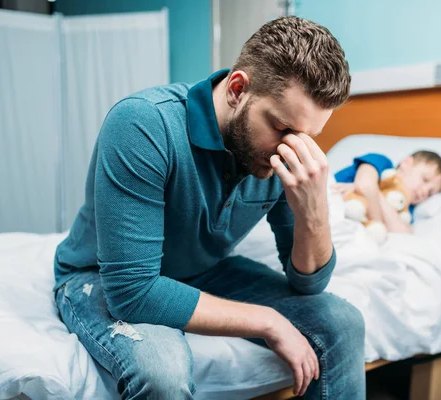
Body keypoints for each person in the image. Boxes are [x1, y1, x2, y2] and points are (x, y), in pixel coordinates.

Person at [53, 16, 366, 399]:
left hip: (203, 271)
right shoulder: (143, 123)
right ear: (237, 89)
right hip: (100, 275)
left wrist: (313, 211)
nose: (292, 148)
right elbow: (133, 292)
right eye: (283, 128)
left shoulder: (282, 154)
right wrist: (267, 321)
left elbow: (309, 283)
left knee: (343, 323)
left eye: (307, 136)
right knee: (162, 372)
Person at [331, 151, 441, 233]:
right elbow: (364, 185)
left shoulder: (406, 210)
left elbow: (402, 236)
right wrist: (381, 223)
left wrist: (375, 194)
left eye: (430, 193)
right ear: (407, 163)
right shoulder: (382, 164)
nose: (424, 191)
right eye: (425, 179)